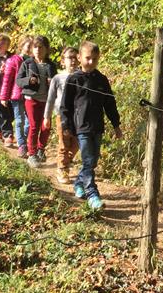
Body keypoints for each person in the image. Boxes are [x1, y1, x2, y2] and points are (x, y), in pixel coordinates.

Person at [60, 41, 122, 210]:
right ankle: (92, 194)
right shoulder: (74, 79)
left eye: (94, 59)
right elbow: (65, 105)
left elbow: (109, 103)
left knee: (92, 161)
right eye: (87, 58)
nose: (90, 62)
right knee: (88, 160)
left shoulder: (101, 80)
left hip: (97, 126)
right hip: (81, 127)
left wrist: (116, 125)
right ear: (79, 58)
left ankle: (79, 183)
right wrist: (66, 125)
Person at [16, 36, 57, 168]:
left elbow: (56, 82)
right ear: (31, 49)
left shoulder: (51, 65)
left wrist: (52, 82)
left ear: (46, 49)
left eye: (41, 47)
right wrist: (29, 80)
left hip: (47, 101)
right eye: (35, 47)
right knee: (34, 126)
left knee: (46, 126)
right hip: (31, 99)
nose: (38, 50)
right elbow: (18, 81)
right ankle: (32, 154)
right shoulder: (27, 64)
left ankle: (41, 149)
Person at [43, 46, 80, 184]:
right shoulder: (58, 78)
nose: (73, 61)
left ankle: (65, 160)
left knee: (77, 143)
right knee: (64, 143)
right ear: (63, 61)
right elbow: (51, 98)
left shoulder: (82, 77)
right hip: (61, 115)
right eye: (70, 58)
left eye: (76, 58)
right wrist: (47, 117)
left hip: (78, 116)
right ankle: (62, 169)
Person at [0, 36, 33, 157]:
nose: (30, 49)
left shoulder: (35, 61)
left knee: (29, 122)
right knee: (19, 120)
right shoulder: (13, 60)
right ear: (22, 46)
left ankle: (25, 140)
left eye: (32, 47)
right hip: (17, 95)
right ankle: (22, 144)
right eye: (28, 46)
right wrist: (4, 97)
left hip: (30, 95)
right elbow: (7, 80)